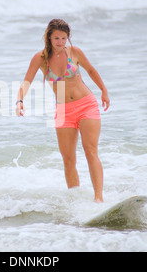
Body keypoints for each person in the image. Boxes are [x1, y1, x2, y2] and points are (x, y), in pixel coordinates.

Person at [15, 19, 110, 202]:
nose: (60, 42)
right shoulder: (40, 58)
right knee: (68, 159)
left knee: (90, 150)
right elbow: (26, 81)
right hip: (63, 111)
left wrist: (104, 91)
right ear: (49, 38)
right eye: (56, 38)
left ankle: (98, 199)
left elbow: (90, 70)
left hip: (86, 105)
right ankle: (75, 201)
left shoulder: (74, 52)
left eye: (64, 38)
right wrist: (20, 100)